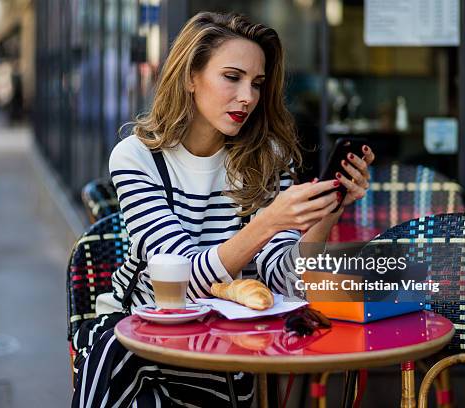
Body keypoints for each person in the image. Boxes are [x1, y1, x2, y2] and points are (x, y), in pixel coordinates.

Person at [72, 12, 375, 407]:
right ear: (189, 77)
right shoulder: (138, 157)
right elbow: (180, 278)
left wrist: (328, 211)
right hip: (139, 327)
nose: (248, 96)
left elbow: (284, 284)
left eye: (257, 83)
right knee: (121, 364)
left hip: (228, 340)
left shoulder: (270, 157)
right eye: (232, 77)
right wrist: (268, 221)